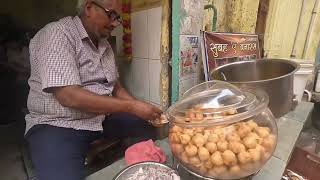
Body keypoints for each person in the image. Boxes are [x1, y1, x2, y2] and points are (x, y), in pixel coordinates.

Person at [24, 0, 162, 180]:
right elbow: (69, 96)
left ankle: (142, 174)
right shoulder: (56, 34)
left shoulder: (104, 45)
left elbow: (116, 88)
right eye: (111, 15)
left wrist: (139, 107)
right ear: (89, 8)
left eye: (117, 18)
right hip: (57, 124)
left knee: (145, 127)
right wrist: (132, 108)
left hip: (99, 118)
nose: (115, 23)